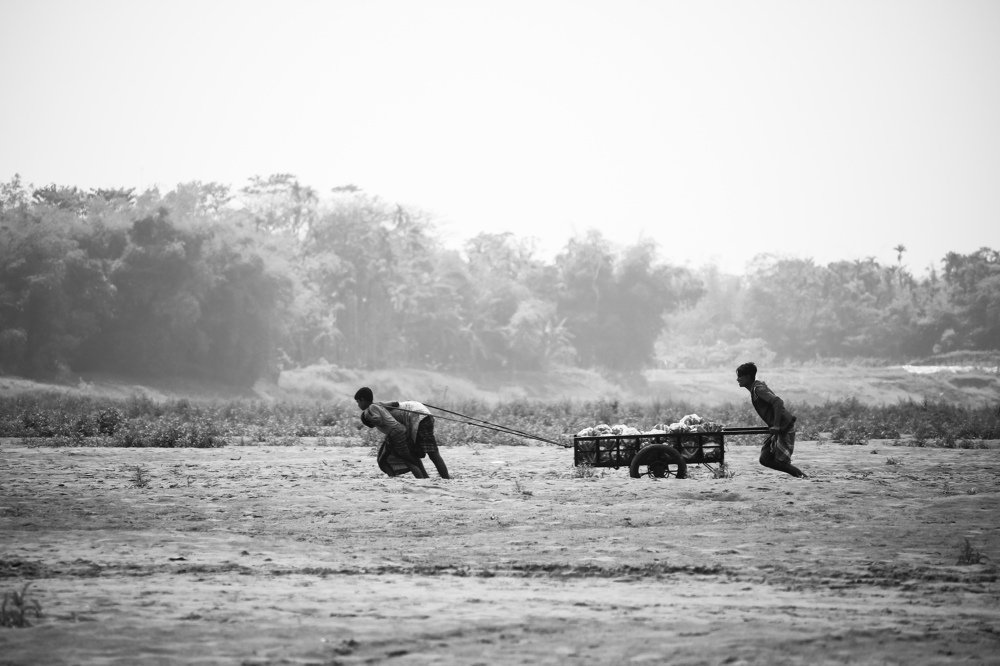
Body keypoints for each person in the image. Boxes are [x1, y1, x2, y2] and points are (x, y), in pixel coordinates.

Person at [736, 362, 808, 478]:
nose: (737, 379)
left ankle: (801, 476)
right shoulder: (756, 387)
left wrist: (776, 425)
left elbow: (778, 402)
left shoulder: (758, 389)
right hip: (780, 427)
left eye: (740, 376)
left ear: (748, 377)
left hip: (784, 426)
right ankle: (800, 475)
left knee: (779, 461)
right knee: (765, 458)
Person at [354, 387, 428, 478]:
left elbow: (379, 420)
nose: (358, 405)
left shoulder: (370, 409)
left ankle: (422, 479)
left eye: (358, 402)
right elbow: (395, 404)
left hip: (395, 432)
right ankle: (420, 476)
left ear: (363, 400)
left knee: (408, 460)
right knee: (405, 457)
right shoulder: (378, 404)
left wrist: (372, 419)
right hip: (400, 429)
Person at [381, 400, 451, 478]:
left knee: (432, 453)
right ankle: (429, 478)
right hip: (423, 414)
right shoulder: (381, 409)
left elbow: (397, 429)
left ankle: (444, 479)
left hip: (419, 416)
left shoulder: (379, 409)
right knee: (419, 452)